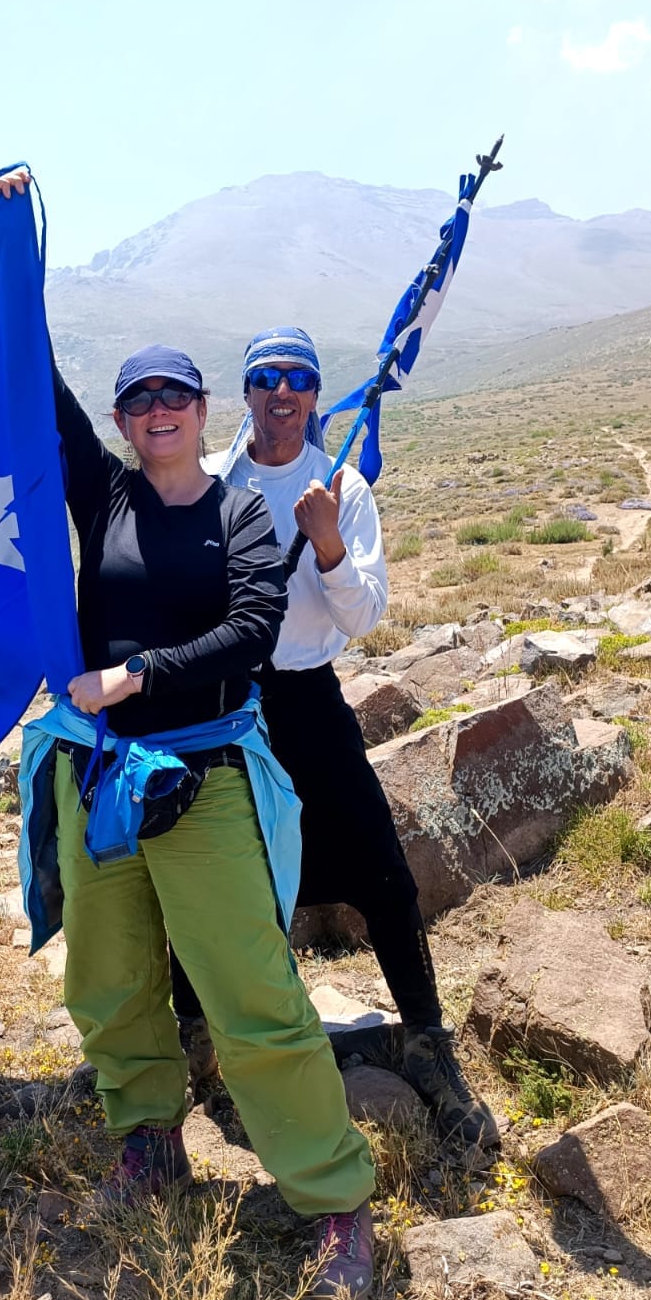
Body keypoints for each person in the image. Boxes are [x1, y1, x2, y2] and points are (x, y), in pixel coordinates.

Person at [0, 170, 379, 1300]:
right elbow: (43, 391)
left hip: (201, 778)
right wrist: (16, 249)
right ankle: (148, 1138)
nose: (157, 412)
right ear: (122, 420)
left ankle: (333, 1196)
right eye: (137, 399)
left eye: (176, 396)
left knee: (253, 993)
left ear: (204, 411)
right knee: (108, 987)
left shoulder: (239, 511)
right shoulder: (100, 495)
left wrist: (132, 673)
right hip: (98, 776)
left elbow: (253, 632)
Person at [171, 326, 498, 1153]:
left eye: (299, 378)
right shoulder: (213, 483)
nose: (282, 392)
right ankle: (195, 1039)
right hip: (224, 702)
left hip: (309, 699)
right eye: (265, 377)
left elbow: (365, 617)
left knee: (382, 872)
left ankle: (426, 1040)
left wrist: (326, 546)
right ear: (244, 394)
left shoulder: (343, 486)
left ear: (317, 394)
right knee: (210, 873)